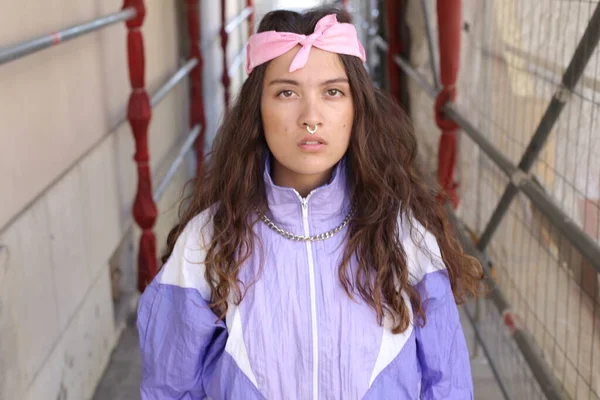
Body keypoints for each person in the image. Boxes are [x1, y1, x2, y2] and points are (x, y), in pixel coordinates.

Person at [137, 5, 483, 400]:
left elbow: (449, 385)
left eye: (333, 92)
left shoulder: (403, 236)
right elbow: (169, 387)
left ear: (357, 109)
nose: (311, 117)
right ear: (256, 110)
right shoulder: (207, 242)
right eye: (286, 92)